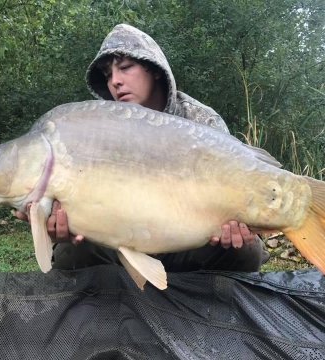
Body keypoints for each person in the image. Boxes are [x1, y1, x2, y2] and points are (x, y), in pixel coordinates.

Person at [17, 24, 269, 272]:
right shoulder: (96, 129)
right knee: (69, 253)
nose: (115, 81)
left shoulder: (201, 121)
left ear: (155, 70)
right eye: (108, 75)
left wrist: (238, 225)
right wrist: (61, 225)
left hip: (188, 241)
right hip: (122, 241)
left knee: (247, 251)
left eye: (125, 68)